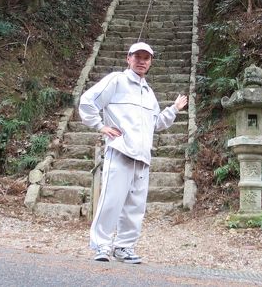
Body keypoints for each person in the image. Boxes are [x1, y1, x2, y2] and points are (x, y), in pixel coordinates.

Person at [78, 41, 188, 264]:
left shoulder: (148, 92)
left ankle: (124, 248)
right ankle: (101, 245)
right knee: (111, 201)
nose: (141, 61)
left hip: (142, 157)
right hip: (119, 150)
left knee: (135, 207)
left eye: (146, 58)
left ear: (150, 62)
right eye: (137, 56)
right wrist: (100, 126)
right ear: (128, 58)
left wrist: (173, 109)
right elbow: (87, 101)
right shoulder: (116, 80)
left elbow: (155, 123)